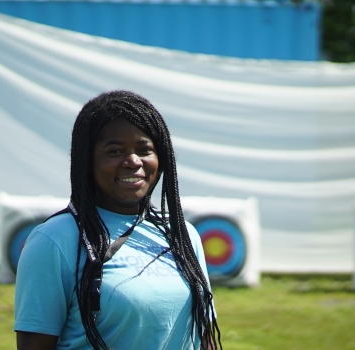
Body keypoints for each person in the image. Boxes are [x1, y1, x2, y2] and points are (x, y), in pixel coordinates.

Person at [14, 90, 222, 350]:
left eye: (145, 149)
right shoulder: (54, 240)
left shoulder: (183, 235)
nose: (133, 161)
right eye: (115, 150)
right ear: (88, 161)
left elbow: (204, 336)